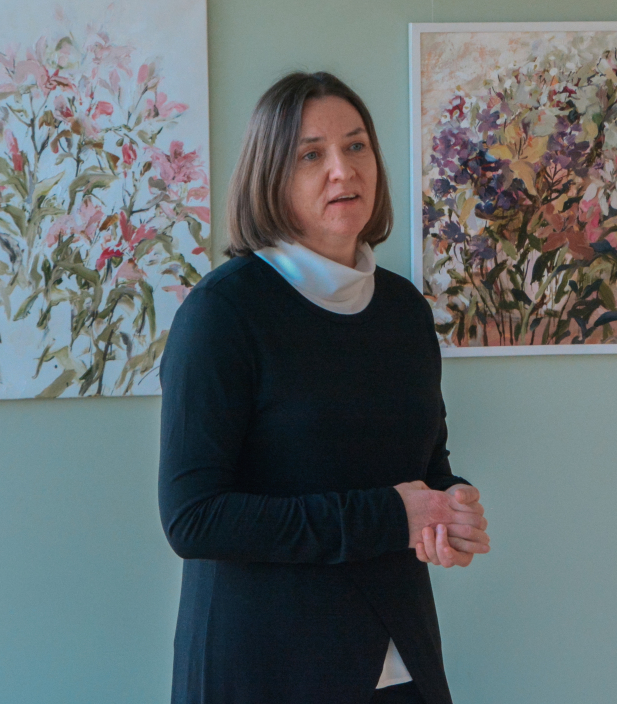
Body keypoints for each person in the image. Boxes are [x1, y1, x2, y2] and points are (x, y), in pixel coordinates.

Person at [158, 71, 490, 704]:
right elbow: (193, 519)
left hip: (401, 659)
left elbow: (424, 468)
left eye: (356, 145)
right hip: (265, 668)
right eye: (311, 154)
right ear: (270, 176)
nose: (343, 169)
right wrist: (389, 517)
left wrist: (450, 508)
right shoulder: (222, 314)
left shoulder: (404, 310)